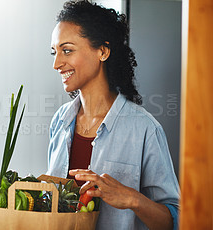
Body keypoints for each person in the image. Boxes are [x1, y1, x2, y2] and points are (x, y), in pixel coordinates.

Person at [47, 1, 180, 229]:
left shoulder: (145, 129)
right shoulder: (60, 121)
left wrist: (131, 198)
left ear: (102, 51)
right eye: (55, 52)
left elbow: (173, 220)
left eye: (67, 50)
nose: (57, 63)